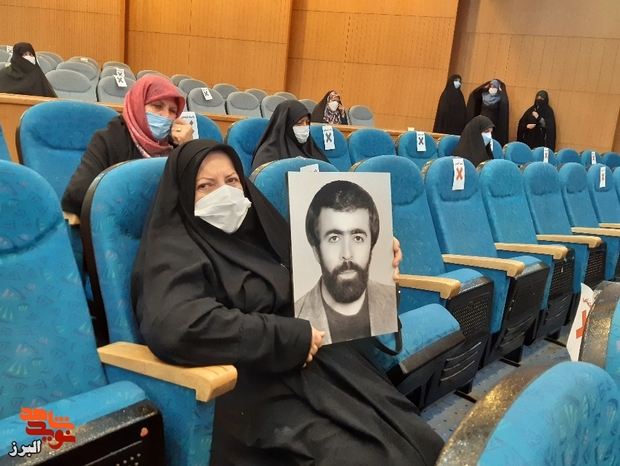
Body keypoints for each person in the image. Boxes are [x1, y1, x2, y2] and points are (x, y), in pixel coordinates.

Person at [132, 139, 444, 466]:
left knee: (421, 442)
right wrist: (288, 337)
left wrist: (377, 271)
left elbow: (322, 291)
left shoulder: (260, 232)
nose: (223, 193)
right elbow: (178, 327)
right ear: (183, 193)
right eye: (205, 185)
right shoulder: (172, 251)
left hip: (324, 368)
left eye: (232, 180)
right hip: (249, 389)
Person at [61, 74, 193, 216]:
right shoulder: (109, 139)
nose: (165, 116)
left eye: (172, 110)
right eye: (157, 106)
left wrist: (188, 148)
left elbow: (195, 198)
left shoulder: (176, 146)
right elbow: (79, 195)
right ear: (137, 105)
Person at [295, 180, 397, 345]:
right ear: (316, 250)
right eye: (334, 238)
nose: (347, 254)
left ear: (371, 246)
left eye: (358, 238)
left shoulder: (391, 299)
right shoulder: (297, 322)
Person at [251, 100, 329, 171]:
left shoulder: (311, 149)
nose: (305, 127)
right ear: (286, 125)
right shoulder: (268, 154)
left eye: (307, 123)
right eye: (299, 123)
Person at [466, 78, 509, 146]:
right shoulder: (484, 95)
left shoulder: (500, 98)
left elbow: (505, 103)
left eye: (494, 87)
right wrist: (483, 87)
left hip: (492, 123)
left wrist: (502, 92)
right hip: (481, 121)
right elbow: (474, 94)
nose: (492, 88)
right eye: (490, 86)